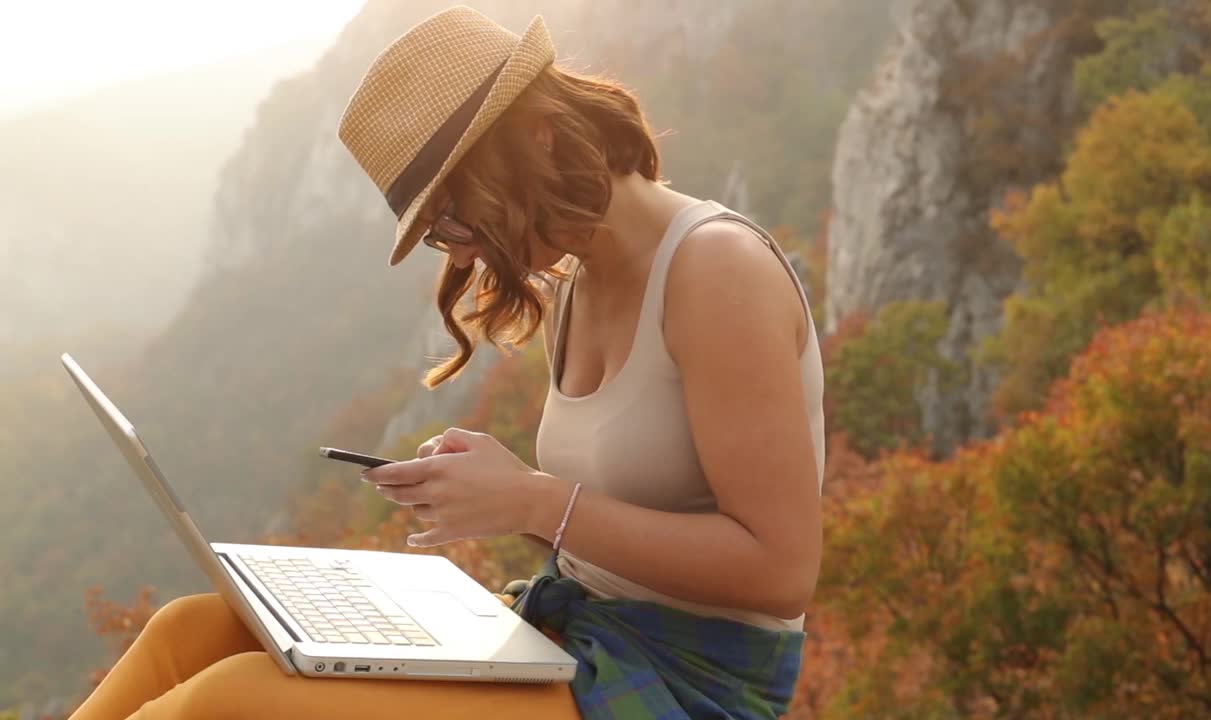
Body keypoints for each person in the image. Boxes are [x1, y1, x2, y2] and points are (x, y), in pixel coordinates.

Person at [68, 6, 824, 719]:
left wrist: (533, 501)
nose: (459, 251)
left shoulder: (717, 272)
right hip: (584, 637)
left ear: (541, 138)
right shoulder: (579, 275)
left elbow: (778, 570)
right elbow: (615, 522)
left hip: (688, 682)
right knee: (187, 634)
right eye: (437, 230)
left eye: (451, 214)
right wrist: (489, 496)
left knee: (221, 704)